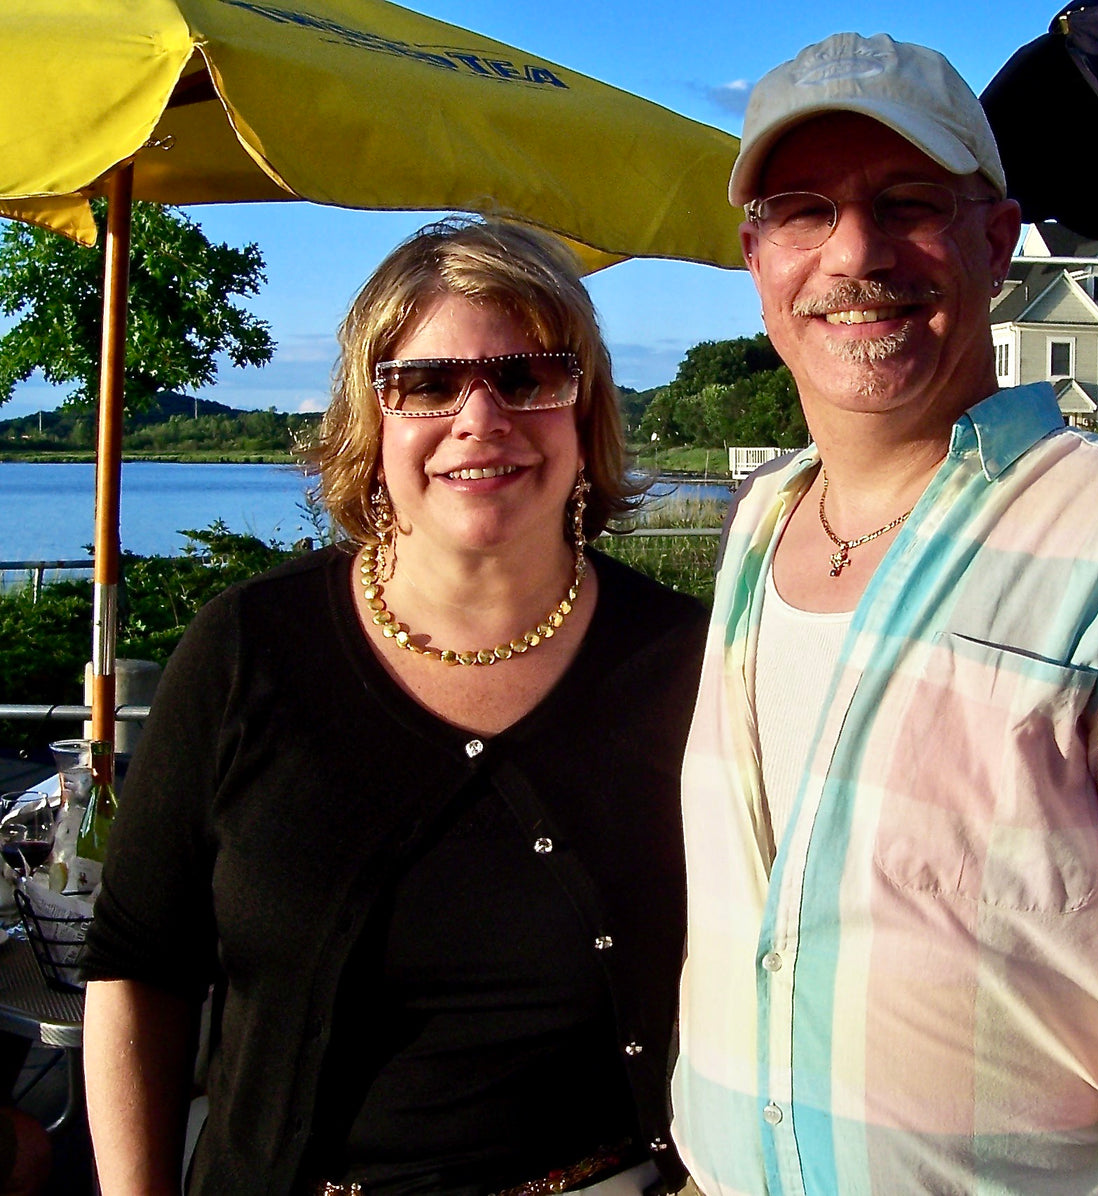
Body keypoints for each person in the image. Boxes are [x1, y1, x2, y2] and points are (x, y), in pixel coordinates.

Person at [670, 32, 1098, 1196]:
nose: (855, 254)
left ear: (995, 242)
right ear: (756, 258)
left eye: (906, 204)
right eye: (804, 211)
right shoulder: (757, 526)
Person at [79, 218, 707, 1195]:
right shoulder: (247, 650)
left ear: (583, 414)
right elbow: (137, 967)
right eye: (427, 382)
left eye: (527, 376)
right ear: (372, 426)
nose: (480, 417)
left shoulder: (692, 662)